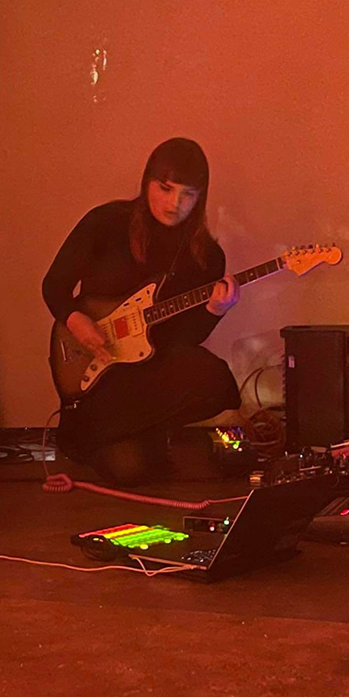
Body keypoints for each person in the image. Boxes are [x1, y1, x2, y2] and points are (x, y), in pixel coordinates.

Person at [43, 137, 241, 486]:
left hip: (147, 376)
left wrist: (213, 310)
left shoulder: (207, 256)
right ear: (147, 180)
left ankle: (101, 433)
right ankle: (89, 428)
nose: (174, 204)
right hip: (96, 369)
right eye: (165, 188)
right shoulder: (105, 222)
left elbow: (183, 341)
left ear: (201, 197)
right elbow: (54, 284)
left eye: (188, 194)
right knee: (131, 470)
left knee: (216, 381)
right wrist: (76, 320)